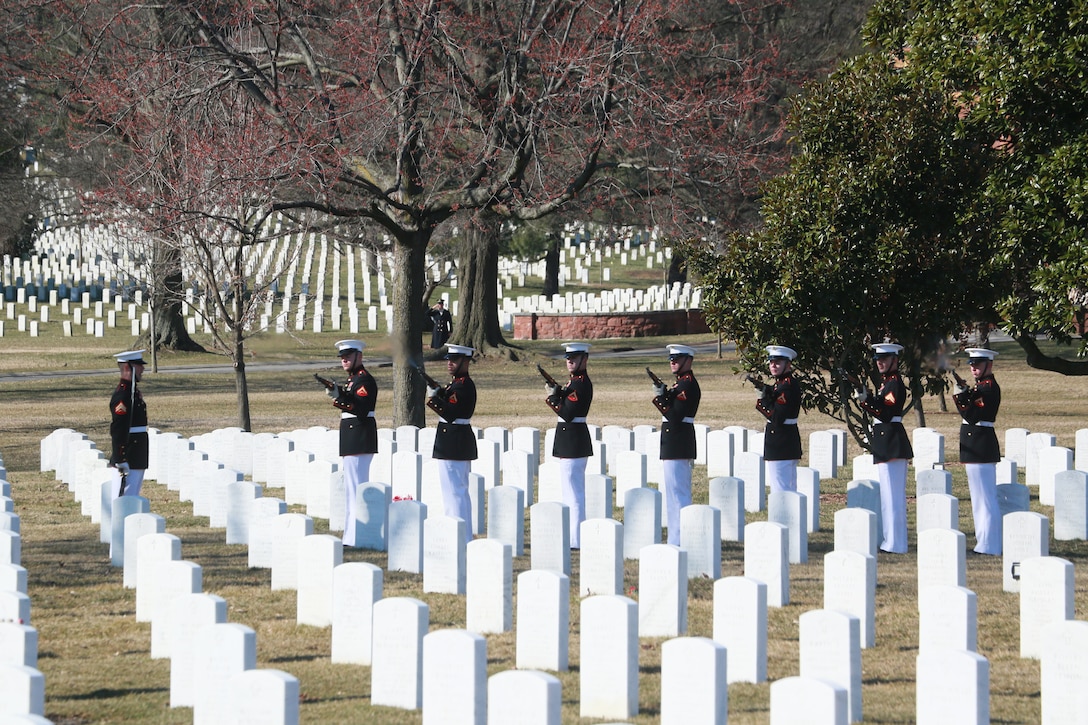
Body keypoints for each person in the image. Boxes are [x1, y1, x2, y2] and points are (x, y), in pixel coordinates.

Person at [854, 342, 914, 553]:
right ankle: (891, 541)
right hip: (887, 442)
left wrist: (866, 402)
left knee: (893, 497)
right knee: (888, 497)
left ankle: (896, 543)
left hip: (892, 442)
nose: (880, 363)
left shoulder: (894, 384)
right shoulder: (887, 383)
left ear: (894, 361)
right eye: (878, 360)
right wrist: (867, 399)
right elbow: (882, 409)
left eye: (884, 359)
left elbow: (886, 413)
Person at [327, 339, 378, 548]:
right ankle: (351, 535)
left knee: (355, 489)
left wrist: (338, 398)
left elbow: (360, 409)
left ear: (360, 356)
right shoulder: (352, 381)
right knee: (351, 490)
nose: (344, 360)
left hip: (359, 438)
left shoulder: (364, 380)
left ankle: (355, 536)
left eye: (348, 356)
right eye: (342, 357)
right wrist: (339, 393)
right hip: (352, 439)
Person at [953, 348, 1002, 555]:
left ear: (988, 365)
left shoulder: (989, 388)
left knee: (985, 499)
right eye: (972, 365)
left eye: (978, 365)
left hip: (981, 446)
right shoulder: (981, 387)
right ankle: (984, 542)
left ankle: (990, 544)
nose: (974, 368)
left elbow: (973, 415)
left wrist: (961, 396)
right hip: (976, 447)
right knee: (979, 499)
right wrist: (964, 393)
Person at [545, 342, 593, 549]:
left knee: (574, 494)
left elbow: (567, 412)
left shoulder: (581, 383)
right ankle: (574, 536)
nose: (569, 361)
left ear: (584, 359)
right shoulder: (574, 382)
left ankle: (577, 538)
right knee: (569, 493)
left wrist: (553, 396)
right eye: (568, 358)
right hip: (570, 442)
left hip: (574, 443)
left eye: (574, 358)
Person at [652, 344, 701, 546]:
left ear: (688, 360)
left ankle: (682, 538)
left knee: (678, 495)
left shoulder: (687, 385)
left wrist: (660, 397)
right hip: (674, 443)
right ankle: (675, 538)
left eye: (677, 359)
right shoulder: (680, 384)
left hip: (678, 443)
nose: (673, 362)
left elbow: (674, 415)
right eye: (671, 359)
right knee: (673, 495)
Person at [428, 343, 477, 542]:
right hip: (453, 441)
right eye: (449, 359)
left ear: (465, 361)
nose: (450, 363)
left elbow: (450, 413)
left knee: (455, 492)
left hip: (454, 442)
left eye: (455, 360)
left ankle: (459, 535)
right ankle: (461, 533)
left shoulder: (463, 385)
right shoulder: (456, 384)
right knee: (455, 492)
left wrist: (434, 399)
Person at [756, 345, 802, 494]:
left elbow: (776, 417)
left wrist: (762, 400)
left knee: (782, 490)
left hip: (782, 442)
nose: (773, 366)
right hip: (782, 442)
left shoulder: (787, 386)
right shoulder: (781, 384)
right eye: (771, 362)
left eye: (778, 363)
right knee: (784, 487)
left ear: (788, 365)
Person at [109, 349, 148, 499]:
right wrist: (120, 458)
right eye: (139, 365)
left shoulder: (132, 393)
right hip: (128, 456)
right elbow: (118, 429)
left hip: (136, 455)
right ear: (127, 367)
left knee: (132, 498)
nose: (143, 369)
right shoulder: (123, 395)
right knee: (123, 500)